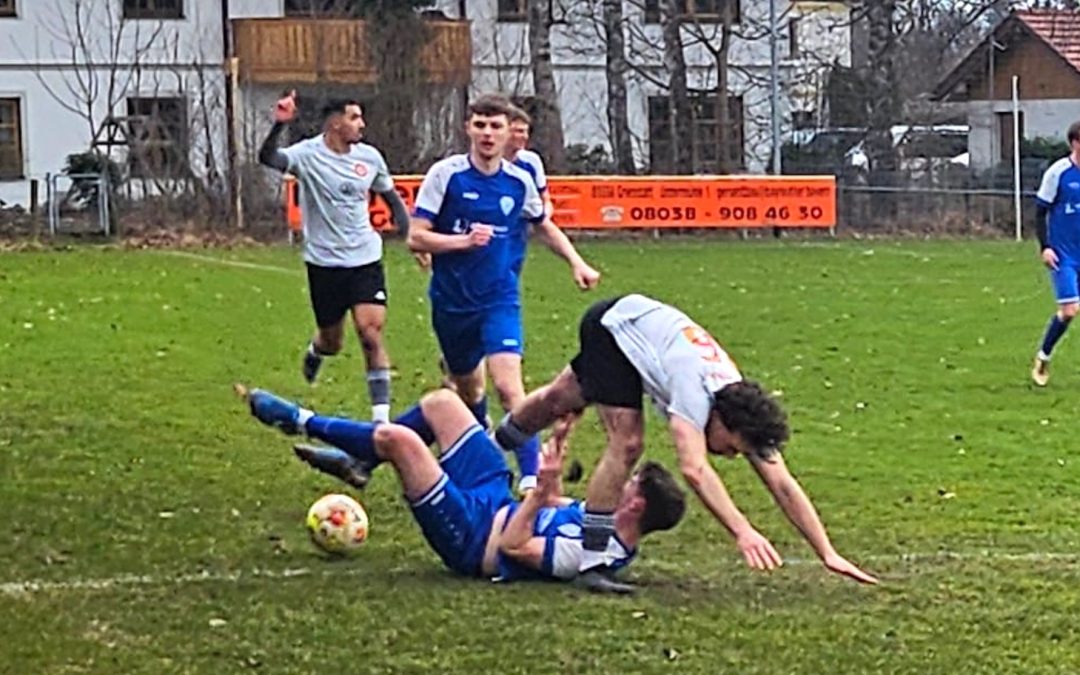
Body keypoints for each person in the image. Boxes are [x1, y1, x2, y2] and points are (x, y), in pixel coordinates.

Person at [493, 294, 879, 592]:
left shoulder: (739, 405)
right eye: (731, 447)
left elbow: (782, 483)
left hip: (635, 323)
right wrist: (742, 530)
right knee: (627, 442)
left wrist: (827, 552)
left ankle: (493, 445)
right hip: (613, 330)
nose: (729, 455)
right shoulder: (695, 394)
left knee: (556, 400)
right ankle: (593, 562)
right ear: (722, 422)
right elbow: (695, 470)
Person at [235, 385, 685, 587]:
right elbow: (550, 504)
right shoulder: (601, 521)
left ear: (636, 506)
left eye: (630, 483)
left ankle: (299, 420)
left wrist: (536, 493)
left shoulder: (588, 554)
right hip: (494, 498)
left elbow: (512, 546)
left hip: (471, 537)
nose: (619, 481)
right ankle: (361, 461)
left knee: (402, 441)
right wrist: (556, 455)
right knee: (442, 403)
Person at [405, 94, 549, 492]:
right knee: (469, 390)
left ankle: (532, 476)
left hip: (499, 297)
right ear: (468, 128)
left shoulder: (519, 181)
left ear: (508, 133)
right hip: (452, 302)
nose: (488, 133)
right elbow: (415, 237)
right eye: (480, 125)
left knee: (509, 386)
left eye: (496, 126)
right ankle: (481, 431)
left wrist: (576, 261)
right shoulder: (445, 175)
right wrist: (461, 242)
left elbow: (541, 223)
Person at [258, 91, 410, 423]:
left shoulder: (370, 158)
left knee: (370, 334)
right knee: (332, 341)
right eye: (355, 118)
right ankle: (317, 351)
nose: (362, 125)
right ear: (335, 122)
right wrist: (278, 126)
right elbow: (268, 159)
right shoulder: (307, 155)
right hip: (324, 264)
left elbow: (391, 197)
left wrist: (412, 235)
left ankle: (381, 421)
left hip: (365, 259)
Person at [504, 105, 600, 287]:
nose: (523, 136)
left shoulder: (529, 163)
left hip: (516, 237)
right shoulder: (474, 168)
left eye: (525, 131)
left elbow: (544, 199)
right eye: (517, 131)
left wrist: (542, 217)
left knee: (507, 287)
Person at [1031, 120, 1080, 386]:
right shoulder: (1058, 172)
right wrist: (1045, 247)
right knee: (1070, 311)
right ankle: (1043, 356)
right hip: (1065, 255)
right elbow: (1040, 212)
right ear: (1075, 143)